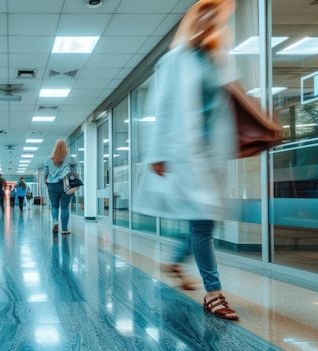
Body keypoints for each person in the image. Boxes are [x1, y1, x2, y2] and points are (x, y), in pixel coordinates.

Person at [133, 0, 239, 321]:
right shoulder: (174, 60)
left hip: (210, 155)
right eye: (203, 14)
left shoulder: (217, 60)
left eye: (215, 16)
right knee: (203, 222)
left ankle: (176, 261)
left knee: (201, 219)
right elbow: (162, 107)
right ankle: (213, 293)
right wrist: (158, 152)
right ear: (193, 20)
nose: (208, 21)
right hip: (184, 154)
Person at [44, 139, 77, 235]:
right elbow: (74, 173)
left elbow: (45, 174)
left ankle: (55, 221)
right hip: (65, 185)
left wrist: (46, 182)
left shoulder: (48, 159)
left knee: (54, 206)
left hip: (52, 185)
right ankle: (64, 229)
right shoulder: (70, 158)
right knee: (65, 207)